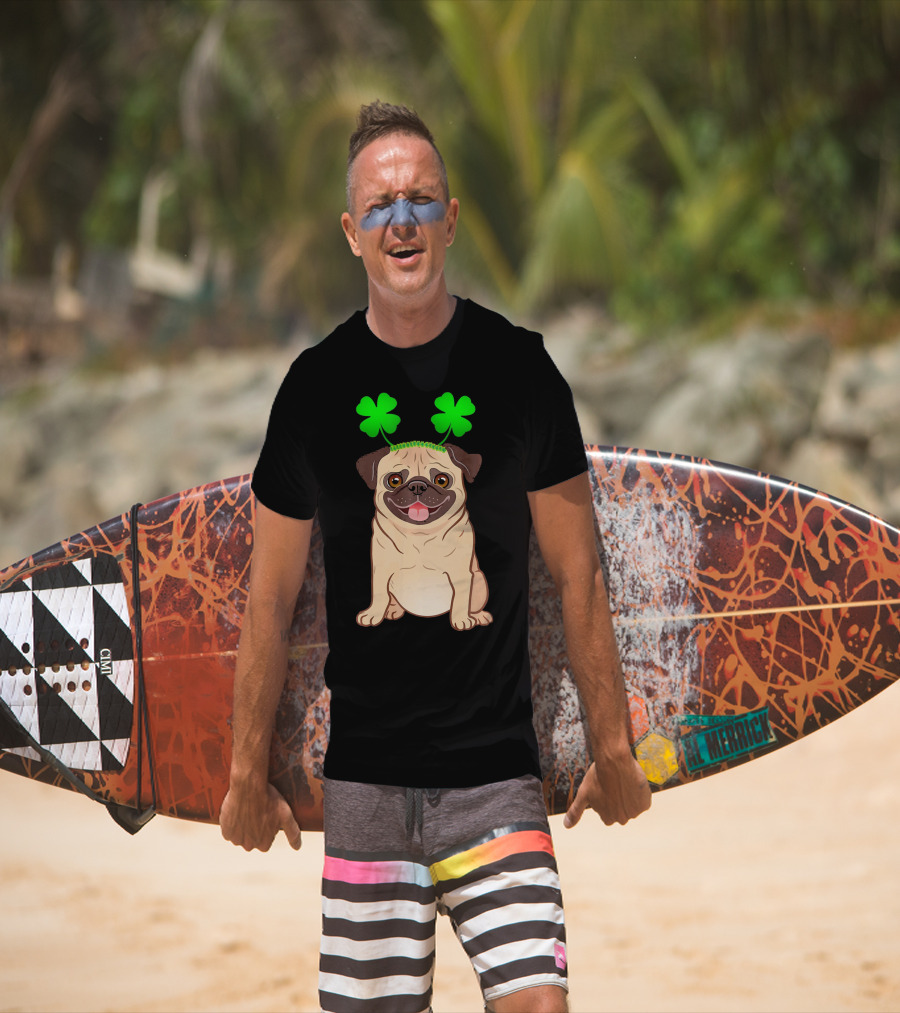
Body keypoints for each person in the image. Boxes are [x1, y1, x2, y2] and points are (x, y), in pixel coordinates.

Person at [220, 100, 651, 1013]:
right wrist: (242, 772)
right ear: (351, 233)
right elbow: (269, 600)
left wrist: (612, 746)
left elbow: (579, 574)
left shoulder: (522, 372)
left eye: (421, 200)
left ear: (451, 219)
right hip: (367, 787)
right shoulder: (313, 390)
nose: (402, 220)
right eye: (380, 206)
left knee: (540, 1003)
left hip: (496, 779)